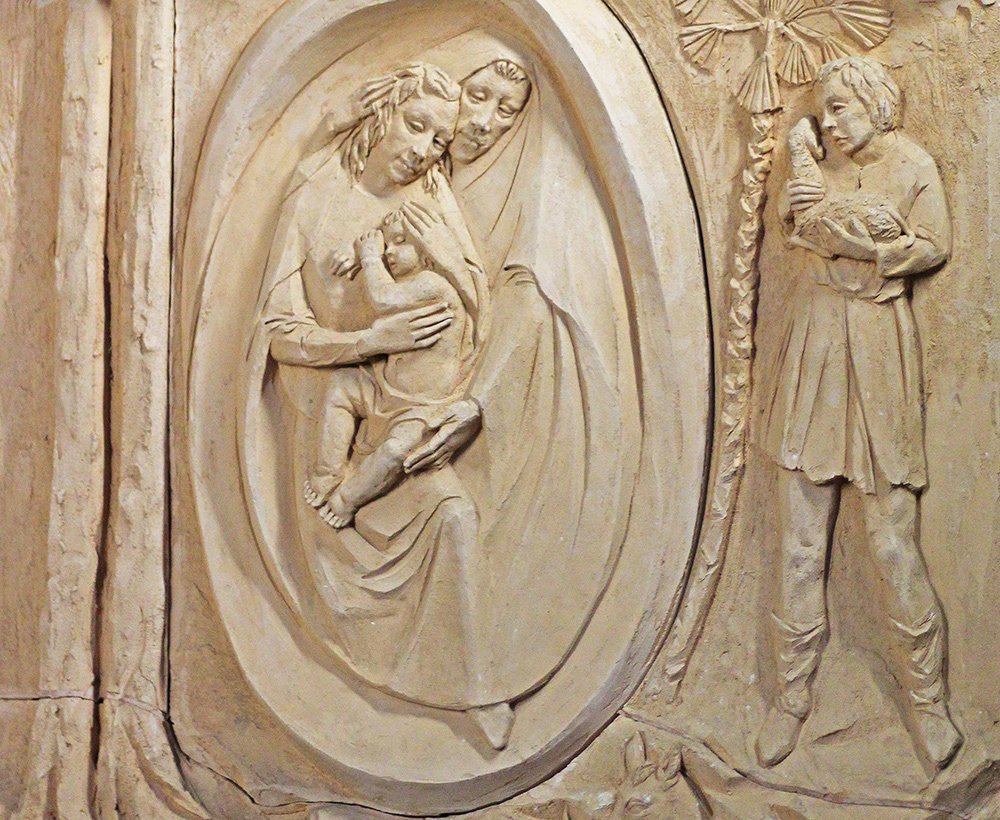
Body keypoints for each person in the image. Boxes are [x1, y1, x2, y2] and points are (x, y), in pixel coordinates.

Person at [256, 63, 514, 751]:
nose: (425, 151)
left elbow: (474, 307)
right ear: (382, 113)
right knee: (348, 494)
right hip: (333, 418)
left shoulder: (430, 203)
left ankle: (476, 688)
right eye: (416, 125)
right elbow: (276, 332)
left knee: (455, 515)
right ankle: (337, 680)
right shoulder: (315, 197)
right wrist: (369, 342)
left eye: (439, 140)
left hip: (414, 409)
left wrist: (468, 405)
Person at [755, 56, 962, 770]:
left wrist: (868, 248)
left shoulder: (912, 166)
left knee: (891, 539)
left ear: (875, 101)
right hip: (815, 338)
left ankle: (928, 701)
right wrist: (797, 191)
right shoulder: (816, 164)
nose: (830, 122)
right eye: (824, 110)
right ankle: (790, 696)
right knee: (800, 539)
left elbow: (933, 244)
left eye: (840, 107)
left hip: (877, 345)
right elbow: (794, 225)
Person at [306, 207, 487, 529]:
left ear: (428, 250)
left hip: (422, 407)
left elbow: (383, 298)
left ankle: (347, 499)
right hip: (383, 387)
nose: (389, 251)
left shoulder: (433, 284)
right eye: (386, 243)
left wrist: (369, 256)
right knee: (341, 387)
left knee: (395, 451)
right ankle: (327, 473)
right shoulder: (412, 283)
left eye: (401, 242)